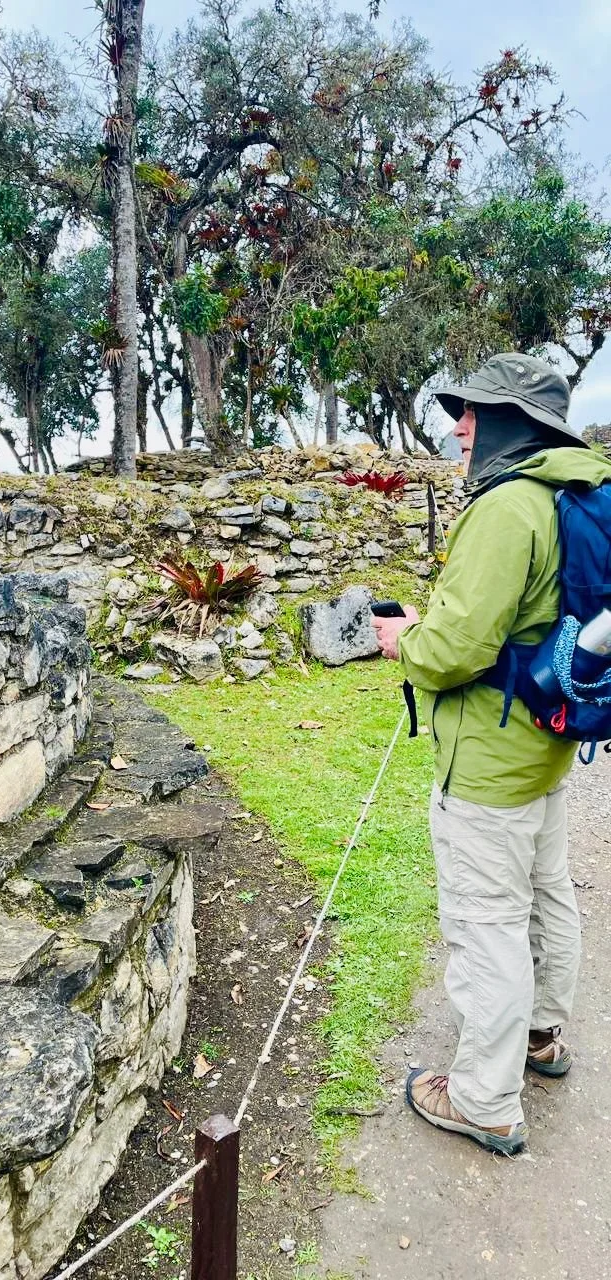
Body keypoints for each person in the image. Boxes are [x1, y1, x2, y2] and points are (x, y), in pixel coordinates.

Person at [372, 352, 611, 1156]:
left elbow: (456, 650)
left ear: (515, 421)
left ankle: (483, 1099)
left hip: (487, 757)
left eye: (474, 411)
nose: (459, 426)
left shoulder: (508, 506)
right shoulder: (580, 490)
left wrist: (407, 637)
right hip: (544, 744)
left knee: (488, 924)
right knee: (546, 896)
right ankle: (542, 1036)